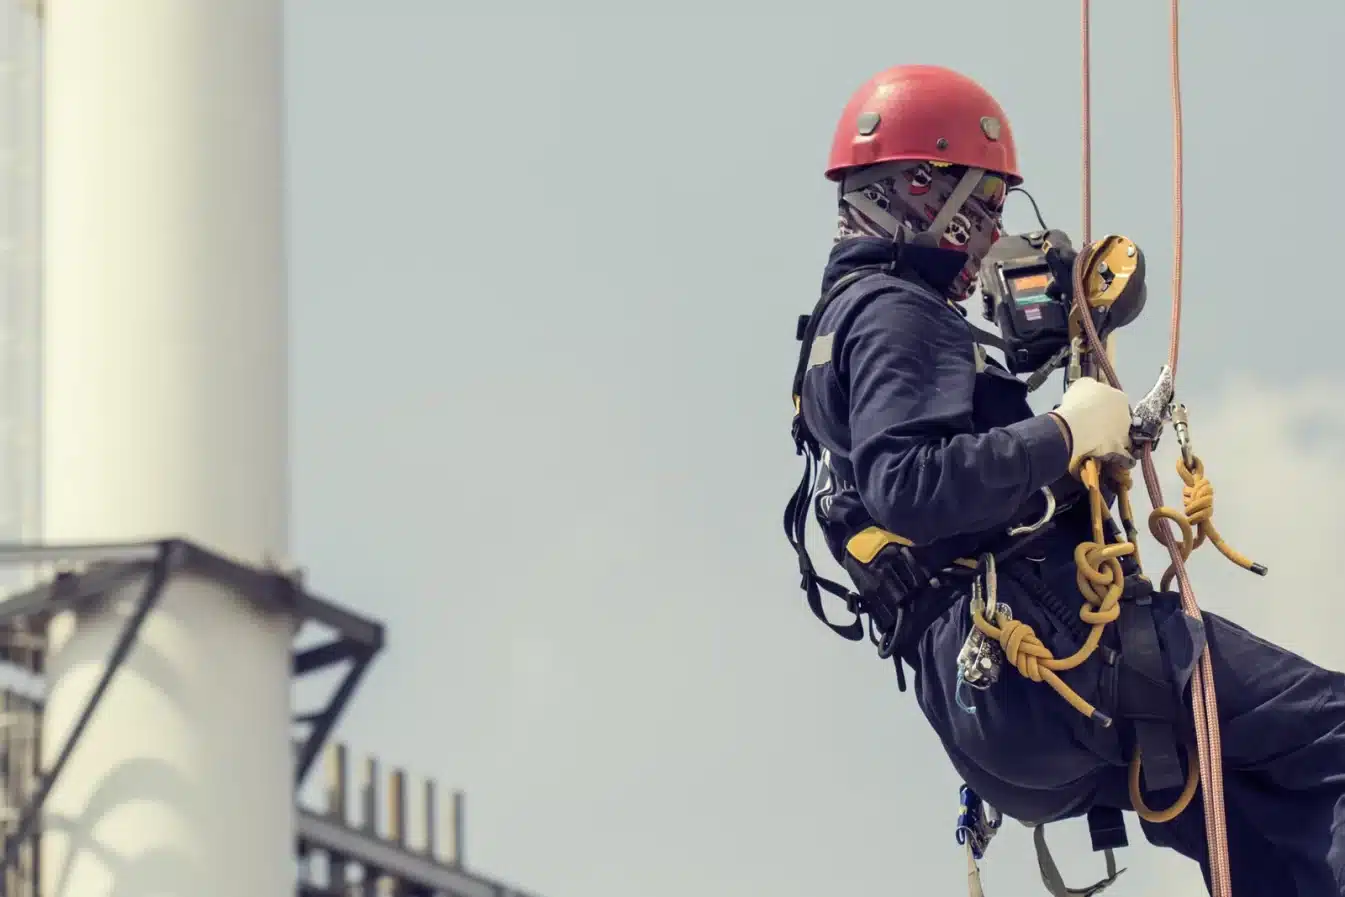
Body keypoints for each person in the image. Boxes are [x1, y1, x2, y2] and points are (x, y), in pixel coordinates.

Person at [785, 63, 1345, 895]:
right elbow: (910, 484)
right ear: (915, 185)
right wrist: (1062, 430)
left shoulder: (843, 325)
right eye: (978, 208)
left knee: (1273, 824)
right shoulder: (898, 314)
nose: (986, 238)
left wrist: (1076, 438)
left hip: (1003, 704)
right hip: (1051, 647)